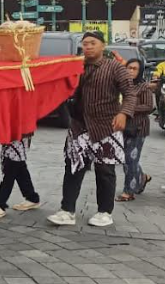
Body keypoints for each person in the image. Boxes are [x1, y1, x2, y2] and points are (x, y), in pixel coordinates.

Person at [47, 32, 137, 227]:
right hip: (79, 125)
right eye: (85, 43)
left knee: (105, 170)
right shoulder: (76, 67)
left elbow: (130, 94)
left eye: (92, 43)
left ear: (102, 46)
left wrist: (123, 114)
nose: (88, 47)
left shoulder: (115, 68)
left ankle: (105, 211)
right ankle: (67, 210)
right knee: (73, 167)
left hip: (106, 126)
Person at [117, 58, 154, 202]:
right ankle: (142, 177)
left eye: (134, 69)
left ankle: (129, 192)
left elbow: (148, 107)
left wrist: (127, 108)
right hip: (123, 126)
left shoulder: (143, 86)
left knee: (130, 159)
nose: (130, 71)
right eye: (129, 68)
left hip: (138, 128)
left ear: (140, 71)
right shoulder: (123, 85)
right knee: (128, 158)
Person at [0, 133, 41, 218]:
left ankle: (0, 204)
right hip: (14, 136)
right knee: (19, 168)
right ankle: (32, 197)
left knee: (10, 169)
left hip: (16, 136)